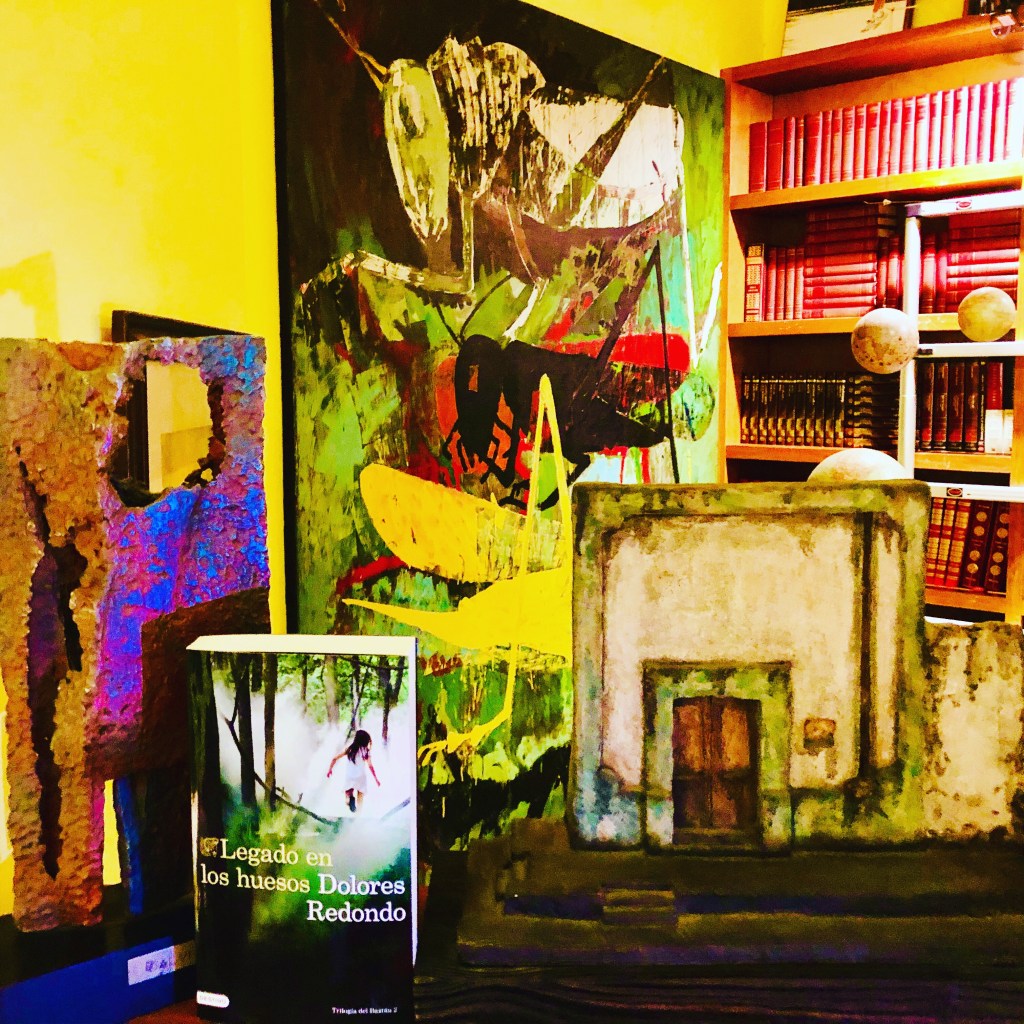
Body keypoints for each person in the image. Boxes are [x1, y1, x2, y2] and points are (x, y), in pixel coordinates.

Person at [327, 729, 380, 813]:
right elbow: (370, 766)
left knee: (347, 797)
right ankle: (358, 816)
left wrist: (330, 769)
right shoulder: (366, 751)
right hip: (361, 777)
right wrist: (376, 778)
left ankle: (350, 799)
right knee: (360, 799)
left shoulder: (350, 749)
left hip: (350, 776)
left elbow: (334, 758)